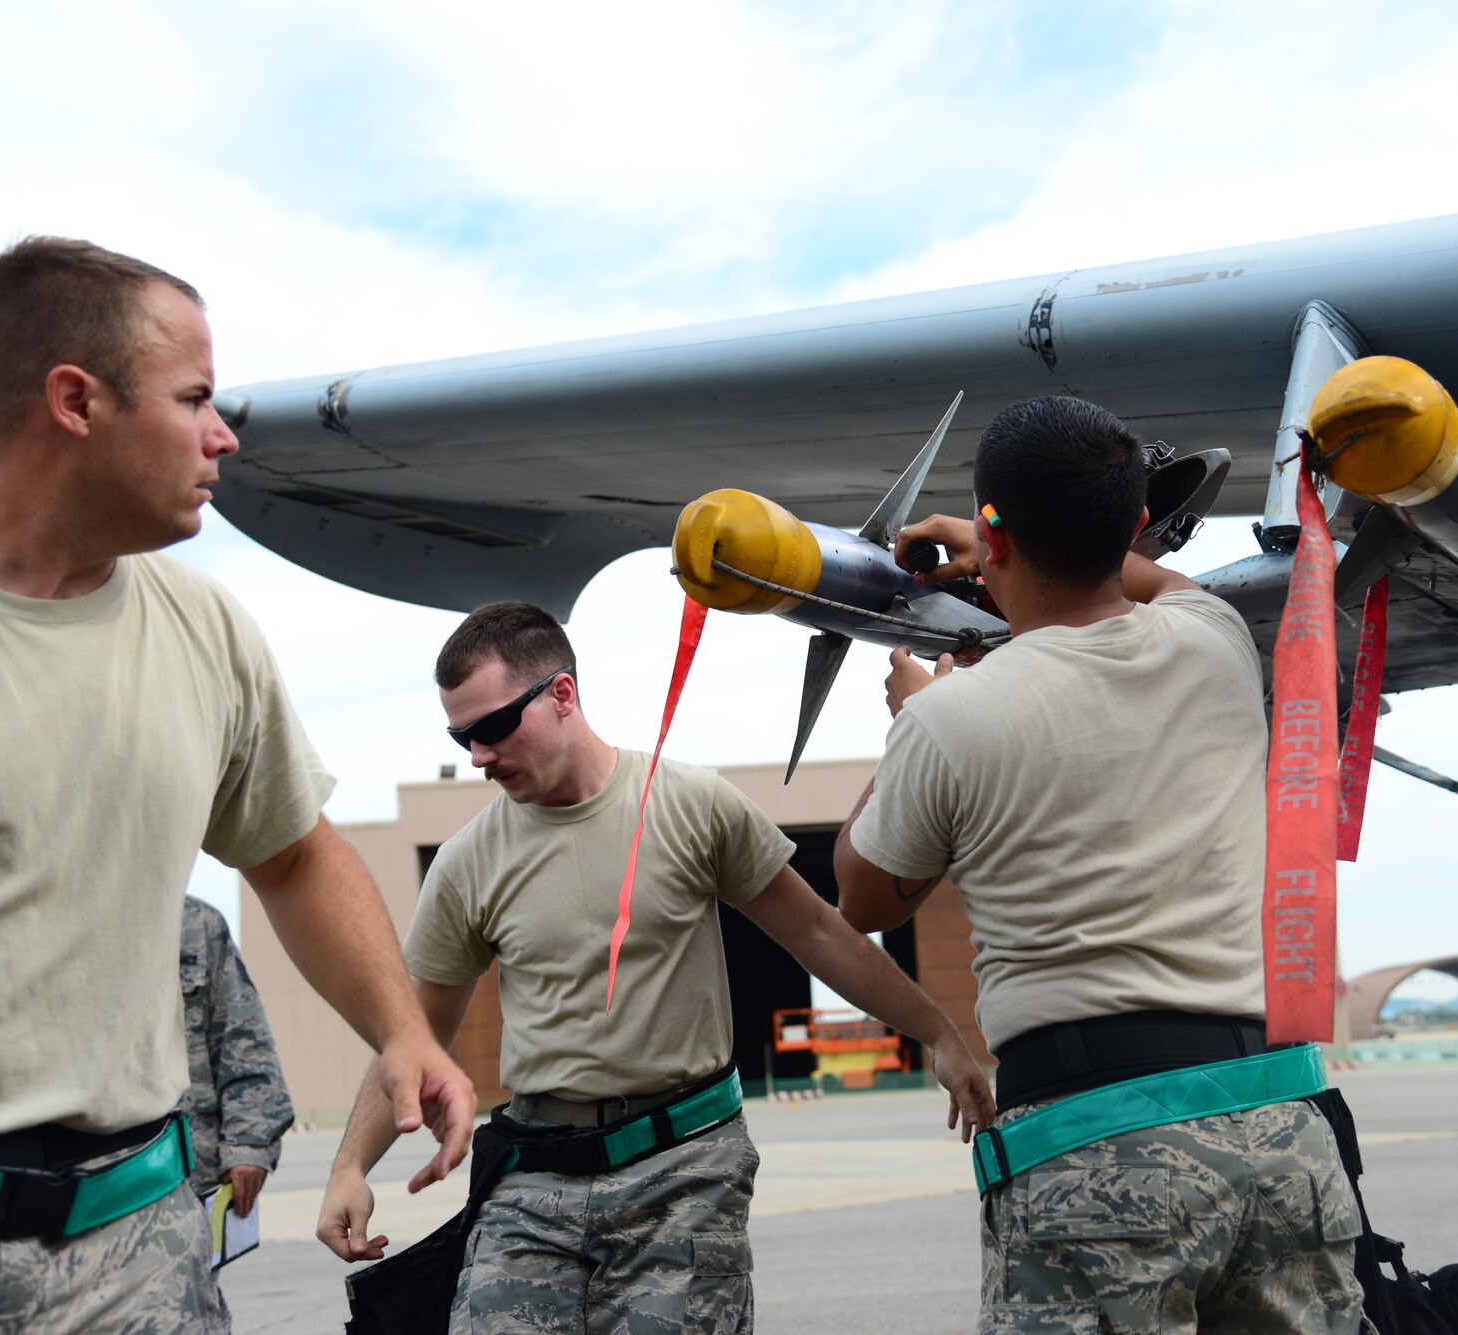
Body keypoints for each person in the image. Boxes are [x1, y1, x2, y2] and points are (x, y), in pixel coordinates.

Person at [0, 237, 474, 1333]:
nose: (223, 435)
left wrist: (401, 1034)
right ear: (76, 401)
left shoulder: (204, 630)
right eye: (194, 399)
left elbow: (292, 853)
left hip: (138, 1242)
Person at [834, 396, 1372, 1333]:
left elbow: (864, 893)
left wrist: (910, 725)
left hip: (1096, 1151)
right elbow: (1157, 581)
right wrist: (1000, 532)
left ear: (994, 535)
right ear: (1130, 523)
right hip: (1284, 1129)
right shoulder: (1214, 638)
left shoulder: (951, 718)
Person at [316, 600, 996, 1334]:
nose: (479, 754)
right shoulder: (467, 863)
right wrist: (349, 1165)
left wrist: (940, 1032)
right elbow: (414, 1034)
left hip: (683, 1173)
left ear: (562, 694)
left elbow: (822, 937)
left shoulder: (691, 805)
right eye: (461, 736)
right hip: (534, 1179)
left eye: (491, 727)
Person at [178, 895, 294, 1214]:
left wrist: (248, 1142)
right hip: (62, 1176)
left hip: (185, 1186)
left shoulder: (196, 924)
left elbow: (243, 1040)